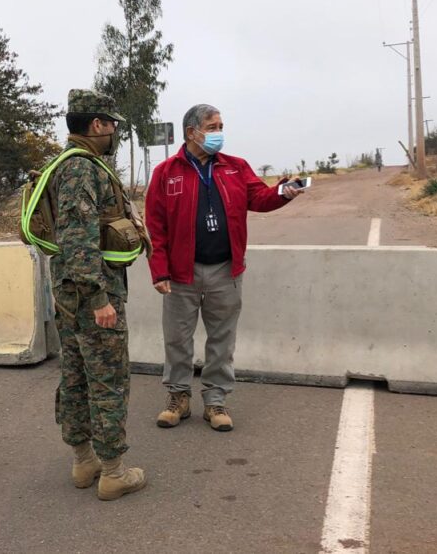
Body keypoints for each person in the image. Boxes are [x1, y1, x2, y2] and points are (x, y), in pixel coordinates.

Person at [145, 104, 302, 432]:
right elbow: (155, 225)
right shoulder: (165, 172)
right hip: (180, 273)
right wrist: (158, 269)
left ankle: (215, 401)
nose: (219, 133)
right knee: (177, 338)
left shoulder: (235, 167)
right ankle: (178, 397)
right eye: (212, 127)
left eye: (220, 126)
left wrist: (284, 192)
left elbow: (260, 198)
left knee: (222, 338)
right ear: (192, 133)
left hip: (225, 270)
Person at [50, 89, 149, 501]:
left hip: (68, 295)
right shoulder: (80, 170)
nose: (114, 132)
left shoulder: (67, 165)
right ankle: (112, 472)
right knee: (105, 380)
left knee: (75, 378)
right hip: (91, 294)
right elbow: (79, 241)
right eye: (111, 124)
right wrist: (99, 299)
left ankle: (83, 461)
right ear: (97, 125)